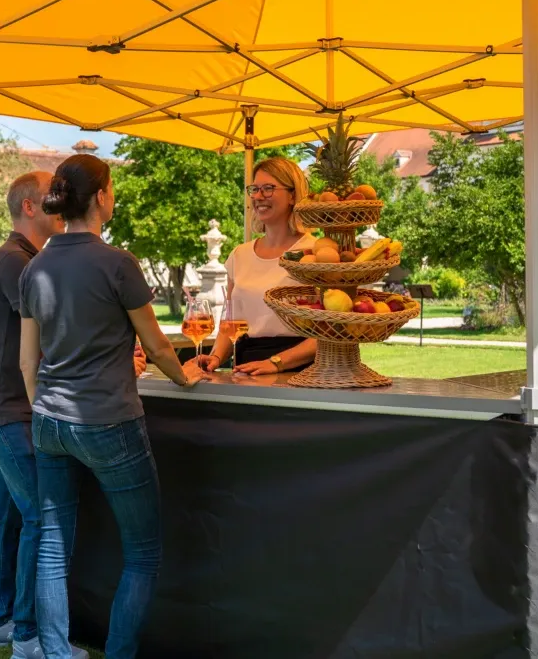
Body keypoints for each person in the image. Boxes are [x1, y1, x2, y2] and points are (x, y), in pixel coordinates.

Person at [18, 154, 204, 659]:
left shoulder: (35, 267)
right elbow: (160, 346)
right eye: (113, 188)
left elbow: (27, 361)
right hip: (108, 422)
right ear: (100, 196)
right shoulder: (117, 263)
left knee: (53, 547)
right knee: (142, 552)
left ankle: (56, 654)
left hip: (50, 422)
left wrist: (45, 413)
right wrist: (187, 380)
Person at [0, 171, 65, 659]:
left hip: (0, 406)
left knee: (5, 517)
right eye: (53, 199)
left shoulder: (20, 259)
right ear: (30, 207)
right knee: (40, 519)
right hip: (7, 409)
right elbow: (51, 331)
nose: (62, 205)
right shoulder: (17, 263)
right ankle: (27, 636)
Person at [191, 156, 317, 375]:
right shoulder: (240, 255)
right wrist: (215, 357)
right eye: (255, 189)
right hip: (246, 367)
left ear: (293, 195)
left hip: (298, 371)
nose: (259, 196)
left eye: (268, 188)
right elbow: (229, 324)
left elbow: (329, 335)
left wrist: (275, 362)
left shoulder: (315, 254)